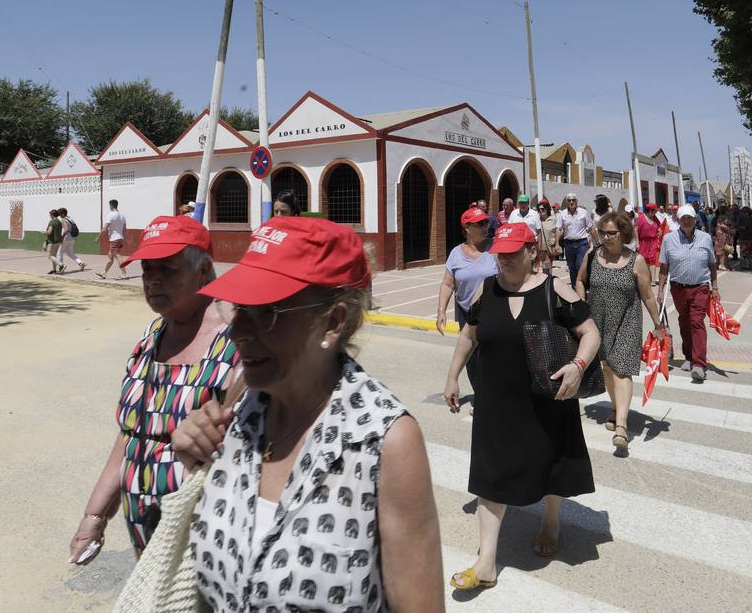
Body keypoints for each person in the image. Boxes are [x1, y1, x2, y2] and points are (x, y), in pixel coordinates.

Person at [172, 217, 443, 610]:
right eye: (239, 308)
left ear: (332, 323)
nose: (237, 332)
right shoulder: (239, 402)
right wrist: (193, 458)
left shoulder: (383, 441)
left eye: (265, 312)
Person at [69, 216, 239, 564]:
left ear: (204, 269)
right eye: (148, 269)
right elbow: (131, 433)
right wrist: (95, 517)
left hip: (209, 538)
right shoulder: (152, 337)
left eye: (168, 268)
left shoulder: (238, 340)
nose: (153, 279)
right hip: (147, 535)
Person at [442, 223, 600, 590]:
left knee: (551, 459)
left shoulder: (553, 289)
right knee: (490, 471)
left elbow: (590, 332)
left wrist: (577, 367)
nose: (506, 260)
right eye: (501, 254)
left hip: (545, 396)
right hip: (495, 397)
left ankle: (550, 520)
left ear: (533, 253)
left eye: (514, 253)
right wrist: (452, 376)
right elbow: (470, 334)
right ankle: (485, 562)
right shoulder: (487, 289)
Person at [574, 211, 664, 452]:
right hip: (597, 319)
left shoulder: (636, 261)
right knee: (607, 367)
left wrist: (659, 325)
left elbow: (646, 295)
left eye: (611, 233)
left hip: (626, 320)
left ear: (624, 233)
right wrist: (581, 304)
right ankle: (616, 408)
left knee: (622, 370)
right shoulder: (592, 256)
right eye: (602, 232)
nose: (606, 237)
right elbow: (580, 280)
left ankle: (622, 427)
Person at [657, 204, 720, 383]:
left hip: (700, 287)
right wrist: (660, 291)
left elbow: (712, 265)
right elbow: (664, 267)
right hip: (678, 288)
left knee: (696, 322)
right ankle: (689, 356)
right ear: (677, 219)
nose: (686, 221)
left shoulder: (706, 238)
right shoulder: (669, 239)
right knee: (684, 321)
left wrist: (715, 287)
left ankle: (699, 364)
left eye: (689, 218)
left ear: (695, 219)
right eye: (682, 218)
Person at [438, 206, 497, 337]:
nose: (485, 227)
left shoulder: (495, 247)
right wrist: (441, 311)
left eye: (486, 222)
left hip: (493, 312)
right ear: (467, 228)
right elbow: (448, 285)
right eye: (480, 223)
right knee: (469, 354)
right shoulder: (456, 253)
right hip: (465, 314)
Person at [556, 193, 594, 287]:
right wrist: (557, 243)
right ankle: (575, 287)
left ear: (577, 201)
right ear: (566, 202)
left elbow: (590, 228)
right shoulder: (562, 214)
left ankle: (583, 286)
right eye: (569, 200)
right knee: (571, 267)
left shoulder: (584, 213)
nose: (571, 202)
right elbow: (559, 229)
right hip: (568, 244)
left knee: (579, 265)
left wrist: (596, 241)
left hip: (582, 243)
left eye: (573, 200)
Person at [96, 199, 127, 280]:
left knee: (118, 256)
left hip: (114, 239)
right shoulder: (122, 216)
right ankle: (104, 273)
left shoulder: (111, 215)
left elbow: (105, 228)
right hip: (119, 238)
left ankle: (124, 274)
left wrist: (98, 237)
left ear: (111, 205)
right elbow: (124, 229)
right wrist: (122, 238)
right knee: (110, 257)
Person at [635, 202, 665, 274]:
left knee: (652, 259)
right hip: (643, 242)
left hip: (653, 242)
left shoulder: (655, 218)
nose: (655, 212)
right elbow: (635, 230)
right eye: (655, 211)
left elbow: (659, 227)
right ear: (650, 210)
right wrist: (637, 243)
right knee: (643, 260)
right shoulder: (641, 217)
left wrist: (659, 232)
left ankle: (653, 280)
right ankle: (646, 277)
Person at [57, 207, 86, 274]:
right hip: (72, 238)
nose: (60, 216)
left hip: (66, 238)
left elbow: (66, 229)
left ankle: (61, 267)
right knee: (70, 253)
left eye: (60, 214)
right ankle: (80, 263)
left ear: (63, 214)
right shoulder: (70, 219)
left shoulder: (64, 219)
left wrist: (62, 237)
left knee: (59, 253)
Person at [713, 205, 735, 272]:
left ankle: (724, 264)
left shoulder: (721, 217)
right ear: (726, 211)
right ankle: (722, 265)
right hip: (722, 235)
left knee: (723, 250)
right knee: (723, 250)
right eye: (728, 210)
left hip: (721, 235)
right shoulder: (724, 217)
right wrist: (729, 229)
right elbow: (721, 225)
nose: (730, 211)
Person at [736, 206, 752, 271]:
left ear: (748, 212)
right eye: (742, 212)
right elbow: (738, 226)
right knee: (743, 252)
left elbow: (750, 228)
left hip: (750, 237)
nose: (742, 213)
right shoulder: (741, 219)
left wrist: (741, 227)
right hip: (742, 237)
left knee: (751, 252)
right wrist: (740, 227)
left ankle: (751, 265)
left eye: (744, 212)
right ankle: (744, 265)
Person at [44, 209, 62, 274]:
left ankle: (61, 265)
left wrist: (44, 233)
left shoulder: (52, 222)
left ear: (52, 215)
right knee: (54, 255)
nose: (49, 216)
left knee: (50, 256)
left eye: (50, 214)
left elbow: (49, 232)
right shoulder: (59, 222)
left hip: (52, 241)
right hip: (58, 241)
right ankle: (54, 269)